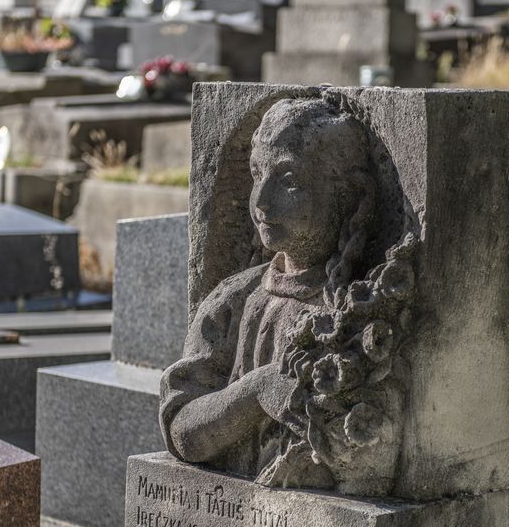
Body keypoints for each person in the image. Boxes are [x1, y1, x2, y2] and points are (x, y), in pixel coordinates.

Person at [160, 96, 413, 495]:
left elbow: (373, 464)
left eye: (289, 180)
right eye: (258, 174)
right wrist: (256, 390)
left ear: (352, 196)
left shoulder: (361, 317)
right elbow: (182, 434)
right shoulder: (232, 300)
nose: (261, 201)